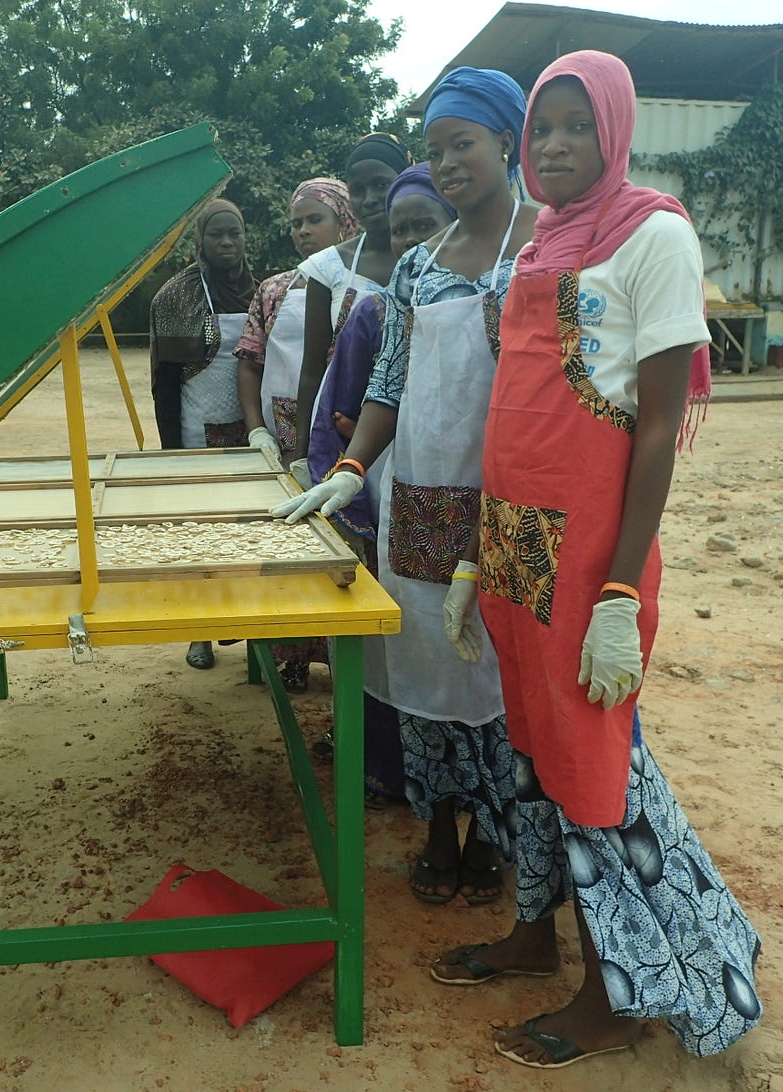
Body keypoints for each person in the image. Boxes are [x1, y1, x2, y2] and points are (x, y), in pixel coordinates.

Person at [432, 51, 762, 1070]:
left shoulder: (653, 234)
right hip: (513, 546)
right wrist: (472, 558)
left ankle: (614, 993)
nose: (557, 145)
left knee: (587, 772)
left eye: (578, 126)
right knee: (526, 754)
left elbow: (655, 429)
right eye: (544, 130)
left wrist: (620, 590)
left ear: (613, 131)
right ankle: (536, 936)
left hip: (587, 558)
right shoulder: (539, 244)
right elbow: (513, 409)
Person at [274, 68, 538, 905]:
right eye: (436, 149)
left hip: (509, 504)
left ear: (507, 140)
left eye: (463, 143)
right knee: (425, 666)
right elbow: (388, 381)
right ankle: (435, 828)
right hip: (418, 499)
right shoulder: (419, 267)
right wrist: (353, 468)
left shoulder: (544, 248)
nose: (450, 162)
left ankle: (493, 841)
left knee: (498, 676)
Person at [303, 163, 457, 804]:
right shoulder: (375, 313)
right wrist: (347, 486)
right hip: (397, 495)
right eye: (402, 233)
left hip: (486, 494)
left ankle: (478, 809)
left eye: (427, 225)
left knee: (473, 652)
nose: (416, 244)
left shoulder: (504, 297)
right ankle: (402, 778)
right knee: (407, 641)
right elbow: (342, 409)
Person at [234, 178, 357, 690]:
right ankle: (291, 655)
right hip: (286, 438)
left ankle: (345, 656)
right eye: (297, 223)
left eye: (316, 220)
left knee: (343, 544)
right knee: (287, 546)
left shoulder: (366, 280)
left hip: (347, 437)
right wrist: (258, 430)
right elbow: (248, 362)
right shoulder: (274, 289)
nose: (304, 232)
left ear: (345, 222)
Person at [149, 197, 256, 671]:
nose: (228, 243)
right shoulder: (175, 296)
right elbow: (164, 383)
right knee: (201, 532)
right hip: (197, 429)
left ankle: (256, 627)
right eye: (217, 234)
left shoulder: (265, 290)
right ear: (200, 241)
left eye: (235, 233)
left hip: (254, 428)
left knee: (252, 532)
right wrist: (172, 451)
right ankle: (200, 632)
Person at [290, 133, 411, 485]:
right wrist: (301, 452)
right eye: (357, 189)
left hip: (416, 430)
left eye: (381, 185)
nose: (370, 198)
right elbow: (312, 370)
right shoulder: (326, 268)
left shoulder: (435, 258)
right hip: (340, 436)